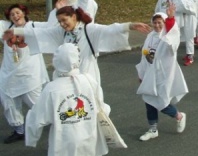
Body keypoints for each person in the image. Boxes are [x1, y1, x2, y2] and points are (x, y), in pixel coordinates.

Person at [4, 6, 151, 106]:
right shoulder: (61, 32)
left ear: (73, 17)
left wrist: (130, 25)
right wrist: (16, 32)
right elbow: (40, 33)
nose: (62, 24)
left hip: (87, 75)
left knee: (89, 103)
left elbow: (109, 29)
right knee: (70, 105)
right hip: (67, 77)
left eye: (64, 20)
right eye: (59, 21)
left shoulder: (89, 30)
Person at [25, 43, 109, 156]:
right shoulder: (89, 81)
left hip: (64, 139)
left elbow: (37, 117)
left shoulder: (51, 89)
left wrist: (32, 138)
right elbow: (101, 107)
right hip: (88, 135)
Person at [136, 3, 188, 141]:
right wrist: (141, 74)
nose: (157, 25)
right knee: (149, 100)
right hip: (149, 75)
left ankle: (179, 115)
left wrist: (171, 18)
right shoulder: (151, 36)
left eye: (160, 23)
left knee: (161, 102)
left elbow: (173, 37)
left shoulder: (168, 36)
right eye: (155, 22)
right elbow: (144, 55)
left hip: (163, 75)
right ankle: (153, 129)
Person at [0, 4, 50, 144]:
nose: (15, 16)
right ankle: (19, 130)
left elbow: (53, 25)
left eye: (17, 12)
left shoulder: (33, 26)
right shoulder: (5, 27)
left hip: (29, 75)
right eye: (12, 14)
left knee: (38, 105)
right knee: (8, 102)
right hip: (8, 75)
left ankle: (56, 121)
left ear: (24, 12)